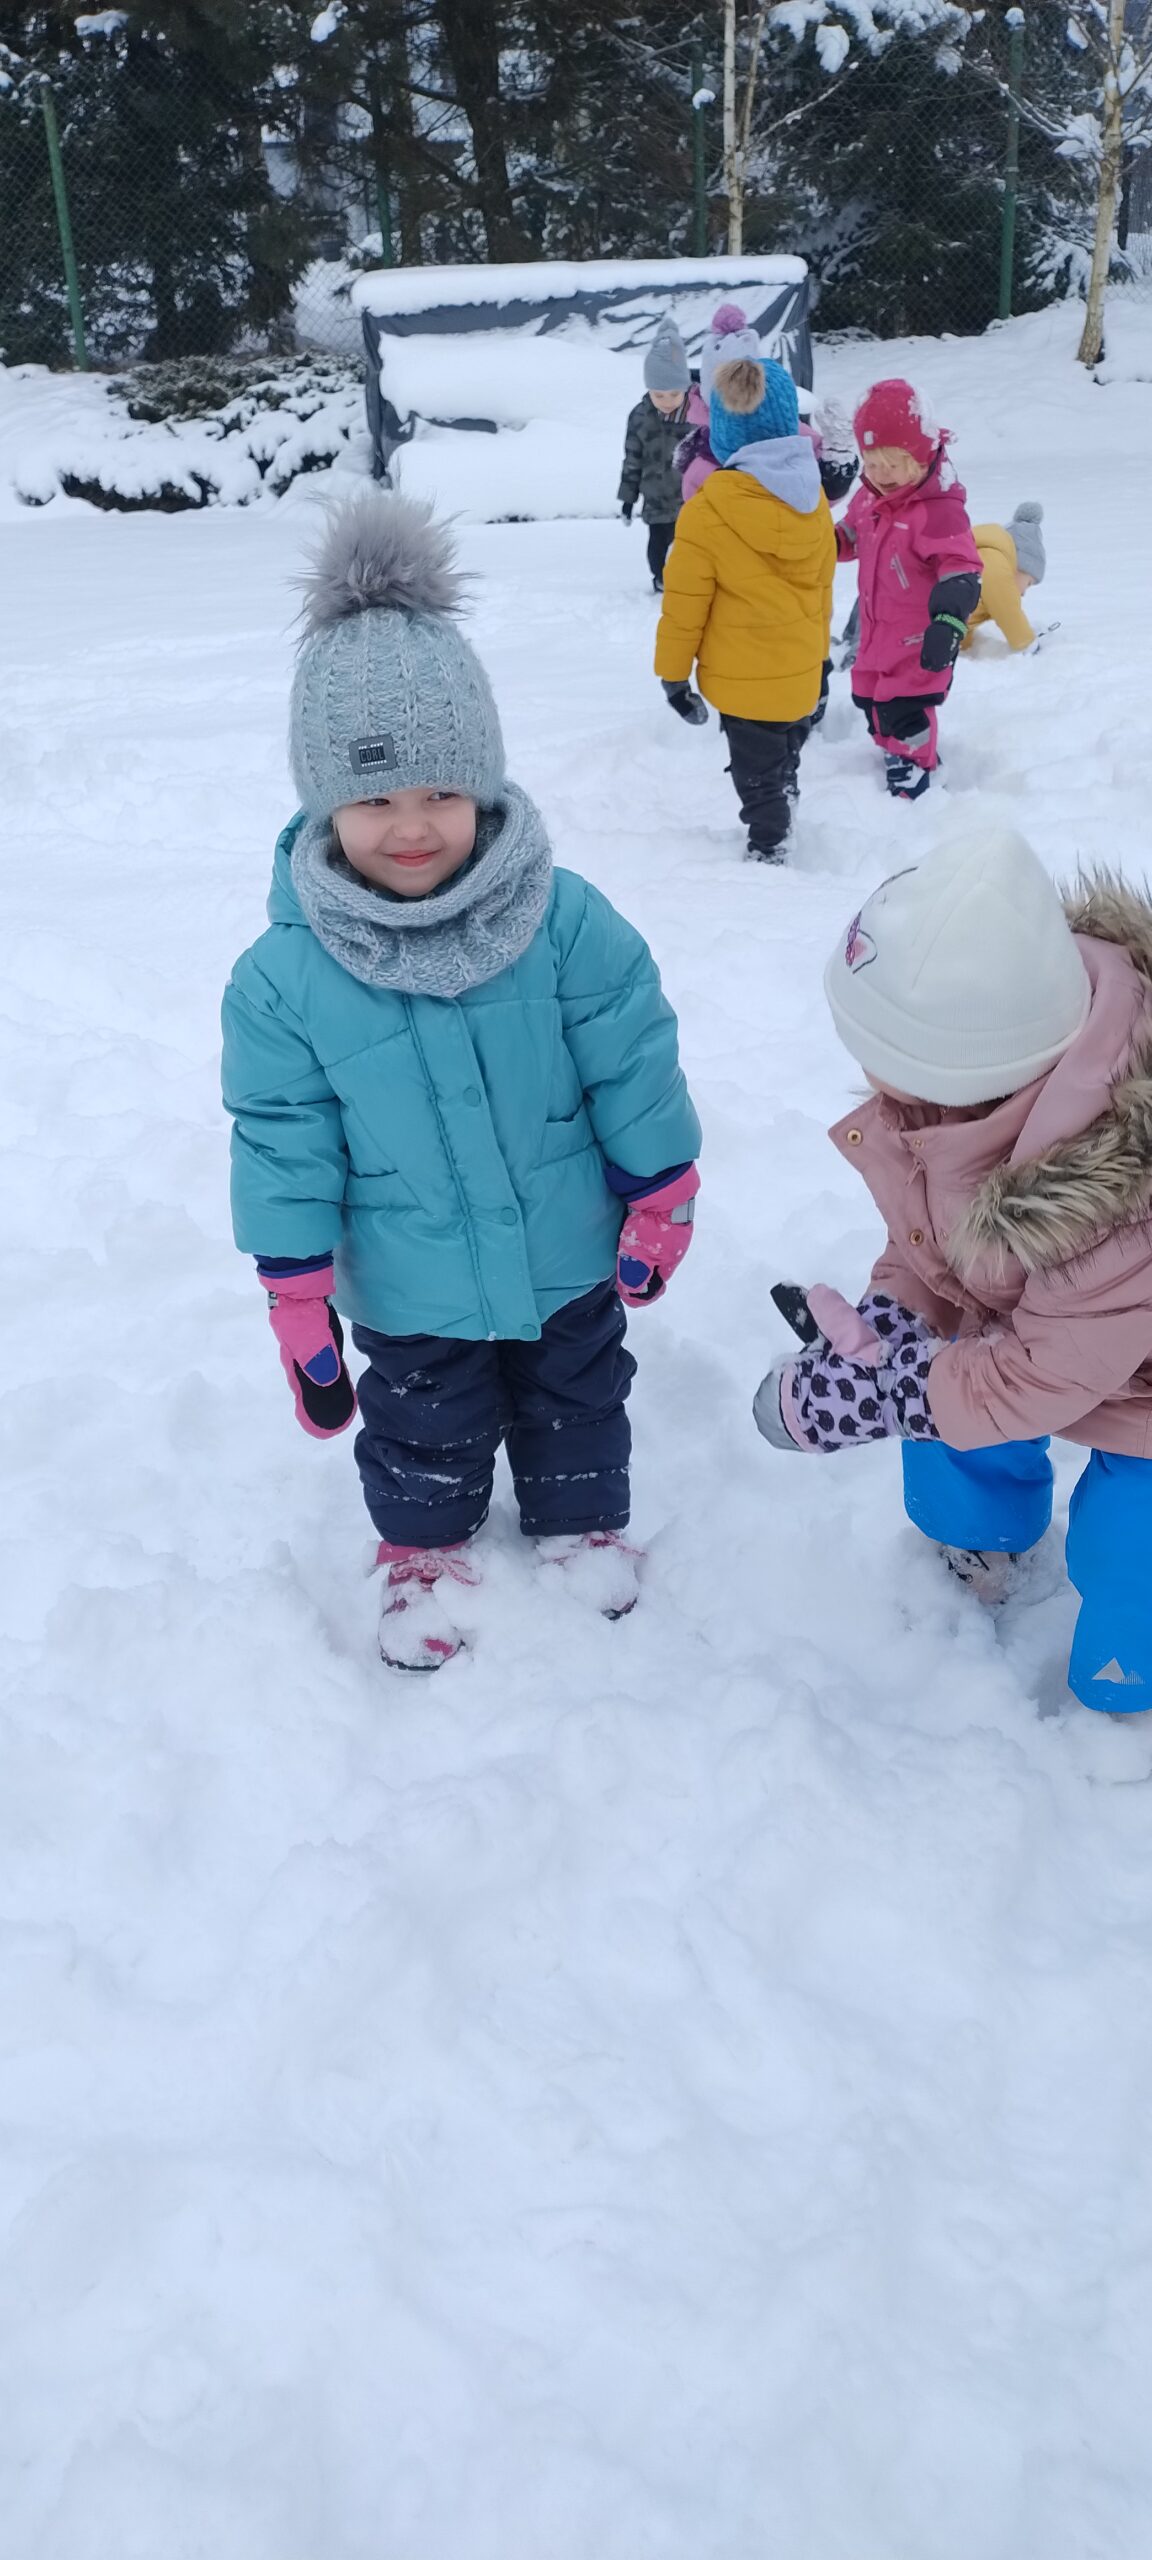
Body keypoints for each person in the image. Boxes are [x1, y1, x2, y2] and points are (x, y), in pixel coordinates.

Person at [222, 492, 701, 1672]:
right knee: (422, 1421)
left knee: (578, 1391)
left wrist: (661, 1187)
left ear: (482, 783)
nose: (412, 827)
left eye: (439, 792)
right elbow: (280, 1137)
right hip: (408, 1278)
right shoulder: (285, 978)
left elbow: (631, 1052)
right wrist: (295, 1294)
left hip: (564, 1245)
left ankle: (581, 1522)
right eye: (374, 799)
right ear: (324, 804)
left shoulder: (562, 919)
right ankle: (424, 1553)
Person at [754, 827, 1152, 1714]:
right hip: (1043, 1328)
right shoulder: (967, 1078)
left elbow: (1044, 1377)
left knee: (1134, 1544)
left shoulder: (1121, 1199)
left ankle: (1127, 1683)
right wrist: (897, 1319)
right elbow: (926, 1242)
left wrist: (890, 1393)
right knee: (947, 1399)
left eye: (881, 1057)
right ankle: (977, 1535)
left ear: (968, 1065)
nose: (867, 1076)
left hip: (1141, 1385)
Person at [653, 350, 836, 864]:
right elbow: (823, 587)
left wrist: (673, 676)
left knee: (756, 775)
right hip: (800, 673)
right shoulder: (814, 500)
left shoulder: (708, 509)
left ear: (725, 434)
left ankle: (769, 848)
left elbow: (685, 604)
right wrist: (821, 659)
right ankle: (785, 798)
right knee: (784, 754)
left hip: (742, 684)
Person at [838, 378, 982, 802]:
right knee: (871, 702)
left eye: (892, 464)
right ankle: (892, 747)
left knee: (906, 711)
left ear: (919, 458)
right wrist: (817, 545)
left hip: (919, 642)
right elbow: (849, 536)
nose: (880, 475)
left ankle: (915, 775)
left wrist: (949, 621)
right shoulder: (868, 500)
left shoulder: (937, 512)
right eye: (872, 464)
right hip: (876, 635)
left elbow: (961, 567)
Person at [618, 317, 691, 591]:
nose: (667, 402)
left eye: (674, 394)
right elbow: (632, 460)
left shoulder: (697, 416)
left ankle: (689, 583)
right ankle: (661, 580)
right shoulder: (640, 417)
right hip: (656, 499)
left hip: (689, 499)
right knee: (658, 547)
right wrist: (628, 499)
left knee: (689, 545)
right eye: (659, 395)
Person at [963, 502, 1046, 653]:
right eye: (1028, 583)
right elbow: (1008, 612)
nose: (1023, 593)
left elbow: (963, 615)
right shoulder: (994, 565)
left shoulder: (983, 563)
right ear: (1020, 566)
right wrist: (1028, 644)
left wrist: (962, 646)